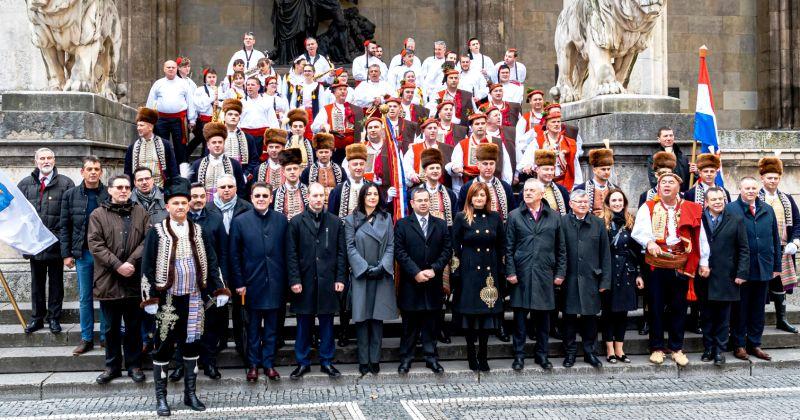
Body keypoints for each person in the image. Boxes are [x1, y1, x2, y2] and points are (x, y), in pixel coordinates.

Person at [141, 177, 229, 416]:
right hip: (167, 300)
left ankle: (190, 394)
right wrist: (150, 298)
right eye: (175, 203)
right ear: (167, 206)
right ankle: (161, 399)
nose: (180, 207)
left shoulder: (199, 231)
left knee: (192, 345)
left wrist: (219, 288)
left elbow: (212, 260)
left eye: (183, 203)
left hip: (194, 298)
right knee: (163, 347)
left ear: (189, 204)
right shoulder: (157, 232)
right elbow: (147, 266)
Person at [632, 172, 704, 367]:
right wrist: (649, 242)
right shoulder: (648, 207)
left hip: (681, 264)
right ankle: (656, 348)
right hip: (657, 265)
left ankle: (676, 348)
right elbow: (638, 231)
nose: (666, 185)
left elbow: (700, 236)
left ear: (678, 187)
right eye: (663, 182)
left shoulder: (690, 207)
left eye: (671, 182)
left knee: (679, 308)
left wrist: (702, 261)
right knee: (655, 307)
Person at [88, 174, 149, 385]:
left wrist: (130, 262)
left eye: (127, 188)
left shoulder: (141, 212)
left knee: (134, 326)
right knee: (110, 328)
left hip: (133, 278)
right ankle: (112, 366)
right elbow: (95, 244)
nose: (124, 191)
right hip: (108, 280)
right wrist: (117, 265)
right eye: (119, 187)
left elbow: (147, 240)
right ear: (110, 190)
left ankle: (134, 365)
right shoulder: (98, 214)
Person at [286, 183, 347, 379]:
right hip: (304, 281)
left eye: (321, 195)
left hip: (328, 281)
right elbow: (291, 254)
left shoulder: (335, 222)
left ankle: (327, 361)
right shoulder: (296, 222)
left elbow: (341, 253)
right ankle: (302, 361)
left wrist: (340, 277)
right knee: (303, 324)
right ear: (308, 197)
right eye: (315, 195)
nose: (319, 199)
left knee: (327, 323)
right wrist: (294, 279)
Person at [229, 182, 288, 382]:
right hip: (250, 284)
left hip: (275, 283)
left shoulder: (281, 220)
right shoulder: (240, 221)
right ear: (251, 198)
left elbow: (288, 252)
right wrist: (239, 282)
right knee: (252, 327)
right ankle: (253, 364)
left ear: (271, 198)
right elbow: (234, 255)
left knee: (272, 327)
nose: (261, 199)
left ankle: (269, 363)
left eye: (265, 196)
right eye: (257, 196)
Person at [505, 179, 566, 371]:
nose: (527, 193)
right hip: (521, 274)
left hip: (545, 274)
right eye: (525, 190)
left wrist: (560, 272)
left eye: (532, 190)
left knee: (543, 320)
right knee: (520, 321)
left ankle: (542, 355)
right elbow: (508, 248)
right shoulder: (514, 215)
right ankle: (519, 355)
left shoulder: (554, 217)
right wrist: (510, 271)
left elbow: (561, 248)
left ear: (541, 194)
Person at [395, 186, 452, 374]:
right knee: (409, 325)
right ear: (412, 203)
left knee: (431, 323)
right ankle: (406, 359)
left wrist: (434, 269)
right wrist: (415, 272)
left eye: (426, 200)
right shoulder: (402, 224)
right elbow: (400, 252)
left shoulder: (440, 224)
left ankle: (431, 358)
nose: (423, 203)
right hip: (411, 283)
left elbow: (447, 250)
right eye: (419, 200)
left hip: (433, 282)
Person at [17, 148, 75, 334]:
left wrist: (68, 247)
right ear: (36, 162)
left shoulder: (66, 183)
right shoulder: (25, 184)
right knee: (37, 283)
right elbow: (18, 214)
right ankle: (37, 318)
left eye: (49, 158)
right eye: (42, 158)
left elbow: (70, 216)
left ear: (54, 160)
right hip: (35, 243)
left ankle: (54, 318)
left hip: (56, 242)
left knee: (56, 283)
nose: (46, 161)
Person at [344, 184, 398, 375]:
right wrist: (364, 268)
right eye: (369, 194)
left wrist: (382, 266)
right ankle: (363, 359)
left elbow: (391, 245)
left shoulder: (386, 217)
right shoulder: (351, 219)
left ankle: (375, 359)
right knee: (362, 318)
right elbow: (350, 247)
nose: (372, 197)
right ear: (362, 197)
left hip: (381, 274)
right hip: (361, 275)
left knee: (377, 318)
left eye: (375, 194)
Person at [727, 176, 782, 362]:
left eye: (753, 188)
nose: (751, 191)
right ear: (740, 189)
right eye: (747, 188)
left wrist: (776, 265)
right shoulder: (731, 209)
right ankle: (739, 344)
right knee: (740, 309)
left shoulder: (767, 209)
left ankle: (755, 343)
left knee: (758, 309)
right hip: (741, 269)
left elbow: (775, 239)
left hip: (763, 267)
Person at [452, 182, 505, 372]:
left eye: (482, 195)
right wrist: (456, 272)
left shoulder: (495, 217)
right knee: (471, 316)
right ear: (470, 198)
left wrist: (501, 270)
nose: (479, 198)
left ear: (487, 198)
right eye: (476, 195)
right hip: (469, 272)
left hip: (489, 273)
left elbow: (501, 245)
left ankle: (483, 354)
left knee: (485, 316)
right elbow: (454, 247)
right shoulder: (461, 217)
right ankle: (470, 353)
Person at [60, 156, 109, 354]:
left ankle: (106, 336)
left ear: (101, 172)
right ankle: (87, 338)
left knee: (106, 296)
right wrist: (67, 254)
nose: (93, 172)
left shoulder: (108, 193)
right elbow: (65, 226)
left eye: (96, 169)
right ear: (82, 172)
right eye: (89, 169)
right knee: (85, 297)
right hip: (83, 254)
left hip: (105, 254)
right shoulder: (70, 195)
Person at [696, 187, 749, 366]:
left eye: (720, 199)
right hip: (704, 275)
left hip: (727, 276)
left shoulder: (736, 219)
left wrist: (742, 273)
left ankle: (720, 350)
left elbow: (744, 249)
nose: (718, 202)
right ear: (706, 202)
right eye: (714, 199)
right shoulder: (699, 219)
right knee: (706, 316)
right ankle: (708, 348)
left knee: (723, 317)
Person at [560, 190, 611, 368]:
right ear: (571, 204)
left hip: (591, 278)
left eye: (585, 202)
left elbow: (605, 254)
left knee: (590, 318)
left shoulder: (598, 223)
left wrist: (605, 281)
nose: (583, 204)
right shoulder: (562, 222)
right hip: (569, 278)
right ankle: (570, 353)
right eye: (579, 202)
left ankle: (590, 352)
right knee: (569, 318)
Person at [187, 183, 229, 379]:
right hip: (186, 280)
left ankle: (209, 362)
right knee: (187, 324)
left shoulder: (215, 219)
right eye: (194, 196)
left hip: (211, 281)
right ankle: (185, 364)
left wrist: (222, 283)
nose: (198, 200)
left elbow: (223, 251)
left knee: (210, 325)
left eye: (202, 196)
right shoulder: (182, 218)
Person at [211, 174, 252, 361]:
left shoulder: (246, 208)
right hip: (217, 265)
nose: (226, 190)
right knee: (218, 307)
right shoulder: (209, 209)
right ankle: (219, 341)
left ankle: (242, 344)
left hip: (241, 265)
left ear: (236, 188)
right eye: (222, 187)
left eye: (230, 186)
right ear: (216, 189)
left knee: (240, 306)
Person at [600, 189, 643, 364]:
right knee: (608, 312)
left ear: (624, 202)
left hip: (627, 271)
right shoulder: (601, 222)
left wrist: (639, 273)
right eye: (614, 200)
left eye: (620, 200)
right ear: (608, 203)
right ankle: (609, 349)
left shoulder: (631, 221)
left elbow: (637, 250)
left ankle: (620, 348)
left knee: (622, 312)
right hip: (609, 271)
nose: (617, 203)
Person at [758, 156, 800, 334]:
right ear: (762, 178)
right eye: (769, 177)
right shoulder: (755, 197)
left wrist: (795, 242)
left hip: (782, 249)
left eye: (776, 178)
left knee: (780, 284)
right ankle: (756, 322)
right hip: (760, 250)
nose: (773, 181)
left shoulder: (787, 199)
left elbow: (797, 223)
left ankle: (781, 320)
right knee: (759, 285)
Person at [146, 60, 197, 174]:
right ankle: (163, 173)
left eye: (173, 67)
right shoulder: (158, 83)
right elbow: (151, 101)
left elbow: (190, 102)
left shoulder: (184, 83)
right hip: (161, 120)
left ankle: (182, 174)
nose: (170, 69)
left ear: (177, 68)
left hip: (179, 120)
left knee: (181, 147)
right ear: (164, 69)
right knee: (161, 145)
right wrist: (148, 119)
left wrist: (192, 119)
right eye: (168, 67)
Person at [518, 107, 582, 191]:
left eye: (558, 122)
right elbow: (527, 160)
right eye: (553, 122)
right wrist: (528, 165)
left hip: (565, 184)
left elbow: (575, 165)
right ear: (547, 124)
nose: (557, 124)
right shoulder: (538, 141)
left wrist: (577, 185)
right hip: (543, 184)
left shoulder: (569, 142)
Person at [451, 113, 513, 195]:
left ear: (486, 125)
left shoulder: (497, 142)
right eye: (477, 124)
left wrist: (505, 187)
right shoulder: (462, 144)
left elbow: (506, 166)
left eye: (483, 123)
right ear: (471, 126)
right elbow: (456, 168)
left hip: (493, 188)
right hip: (471, 189)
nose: (480, 126)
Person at [456, 142, 515, 223]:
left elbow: (512, 213)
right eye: (485, 164)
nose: (488, 167)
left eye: (491, 164)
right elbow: (461, 213)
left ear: (495, 165)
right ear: (478, 165)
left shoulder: (505, 187)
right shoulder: (467, 187)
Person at [190, 122, 246, 201]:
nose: (217, 145)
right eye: (214, 142)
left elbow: (241, 189)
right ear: (208, 145)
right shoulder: (197, 164)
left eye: (220, 142)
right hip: (204, 205)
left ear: (224, 144)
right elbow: (191, 188)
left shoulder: (234, 164)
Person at [124, 107, 179, 189]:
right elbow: (127, 173)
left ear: (150, 127)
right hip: (138, 191)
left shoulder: (165, 145)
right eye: (138, 125)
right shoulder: (132, 148)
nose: (138, 128)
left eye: (141, 125)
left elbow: (173, 170)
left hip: (161, 190)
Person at [311, 81, 363, 164]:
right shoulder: (327, 109)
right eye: (340, 89)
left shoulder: (356, 109)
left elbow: (361, 130)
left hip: (352, 149)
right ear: (334, 93)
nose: (343, 91)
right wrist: (323, 126)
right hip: (335, 149)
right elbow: (314, 127)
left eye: (345, 89)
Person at [403, 118, 454, 187]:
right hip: (419, 187)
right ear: (423, 131)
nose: (433, 130)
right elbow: (407, 165)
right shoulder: (414, 148)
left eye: (435, 128)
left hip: (441, 186)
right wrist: (412, 175)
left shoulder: (447, 148)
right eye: (429, 128)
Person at [219, 98, 260, 182]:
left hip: (241, 178)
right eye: (230, 114)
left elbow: (254, 160)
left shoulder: (248, 138)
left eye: (236, 115)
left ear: (239, 118)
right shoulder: (216, 136)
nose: (233, 117)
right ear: (224, 117)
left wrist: (245, 176)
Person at [573, 147, 618, 217]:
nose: (606, 172)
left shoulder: (616, 189)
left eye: (608, 169)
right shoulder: (581, 189)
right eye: (603, 169)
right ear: (594, 170)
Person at [301, 133, 344, 205]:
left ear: (331, 153)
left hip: (335, 205)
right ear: (316, 154)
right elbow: (303, 191)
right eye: (321, 152)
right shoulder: (307, 171)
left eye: (326, 152)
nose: (324, 155)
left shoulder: (340, 170)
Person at [645, 127, 692, 192]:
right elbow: (653, 181)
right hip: (664, 194)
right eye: (665, 136)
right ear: (659, 139)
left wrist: (695, 173)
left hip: (682, 195)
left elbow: (690, 181)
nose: (669, 138)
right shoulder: (654, 159)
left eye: (671, 135)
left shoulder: (683, 157)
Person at [239, 78, 280, 150]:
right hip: (246, 135)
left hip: (262, 135)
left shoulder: (266, 101)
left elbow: (273, 120)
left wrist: (274, 136)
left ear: (258, 87)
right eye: (248, 85)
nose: (249, 87)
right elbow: (238, 120)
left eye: (252, 85)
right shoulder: (241, 102)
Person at [191, 68, 221, 157]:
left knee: (210, 142)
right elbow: (200, 107)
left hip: (216, 120)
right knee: (205, 142)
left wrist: (219, 103)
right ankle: (201, 159)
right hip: (203, 121)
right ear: (205, 78)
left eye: (214, 77)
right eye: (209, 77)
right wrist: (212, 98)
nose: (212, 79)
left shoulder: (219, 89)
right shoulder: (200, 90)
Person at [272, 148, 309, 220]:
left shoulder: (309, 191)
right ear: (283, 172)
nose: (292, 172)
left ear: (300, 170)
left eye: (295, 168)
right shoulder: (275, 194)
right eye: (289, 169)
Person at [533, 150, 570, 216]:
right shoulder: (527, 190)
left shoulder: (562, 190)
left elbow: (568, 214)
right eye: (546, 169)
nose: (550, 173)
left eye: (552, 169)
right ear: (537, 170)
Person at [515, 90, 545, 159]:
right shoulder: (524, 119)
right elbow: (518, 140)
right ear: (530, 102)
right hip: (530, 153)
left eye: (540, 99)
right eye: (535, 100)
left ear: (543, 101)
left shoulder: (548, 116)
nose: (538, 102)